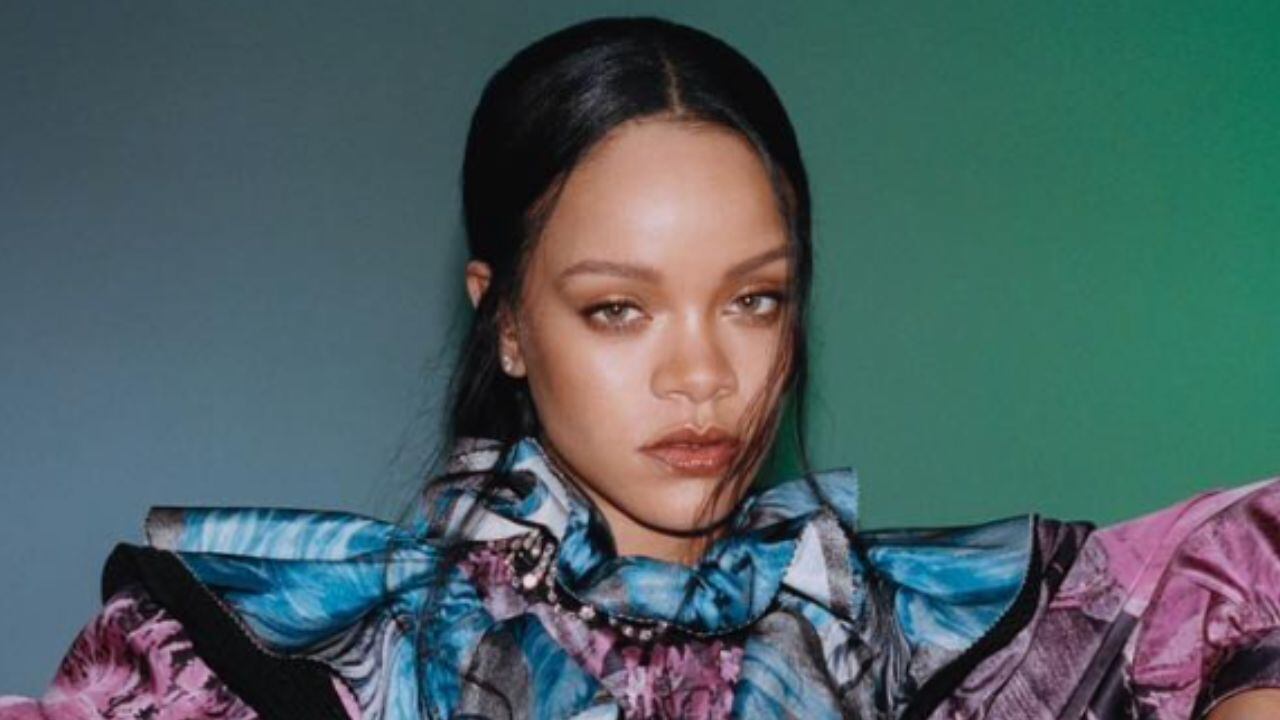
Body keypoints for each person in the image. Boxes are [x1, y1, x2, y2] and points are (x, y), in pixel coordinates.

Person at [2, 16, 1279, 720]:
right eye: (617, 309)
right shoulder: (275, 663)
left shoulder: (945, 642)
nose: (701, 374)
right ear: (505, 321)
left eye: (754, 299)